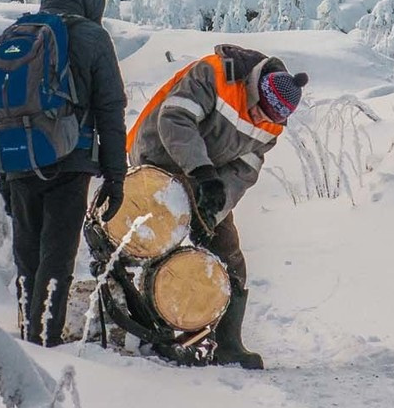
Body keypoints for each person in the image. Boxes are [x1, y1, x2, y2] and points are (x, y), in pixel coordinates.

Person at [129, 43, 306, 371]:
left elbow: (243, 172)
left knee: (228, 253)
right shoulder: (214, 74)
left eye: (269, 119)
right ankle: (153, 331)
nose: (259, 120)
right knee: (157, 245)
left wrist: (215, 206)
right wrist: (202, 172)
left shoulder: (271, 125)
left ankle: (228, 343)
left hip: (205, 176)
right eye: (259, 111)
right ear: (257, 92)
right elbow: (175, 120)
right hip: (158, 157)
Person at [2, 0, 127, 347]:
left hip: (19, 158)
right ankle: (44, 343)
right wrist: (115, 176)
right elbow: (110, 110)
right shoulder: (92, 37)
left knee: (27, 255)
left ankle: (27, 336)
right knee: (56, 257)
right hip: (70, 161)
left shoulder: (18, 32)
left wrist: (3, 170)